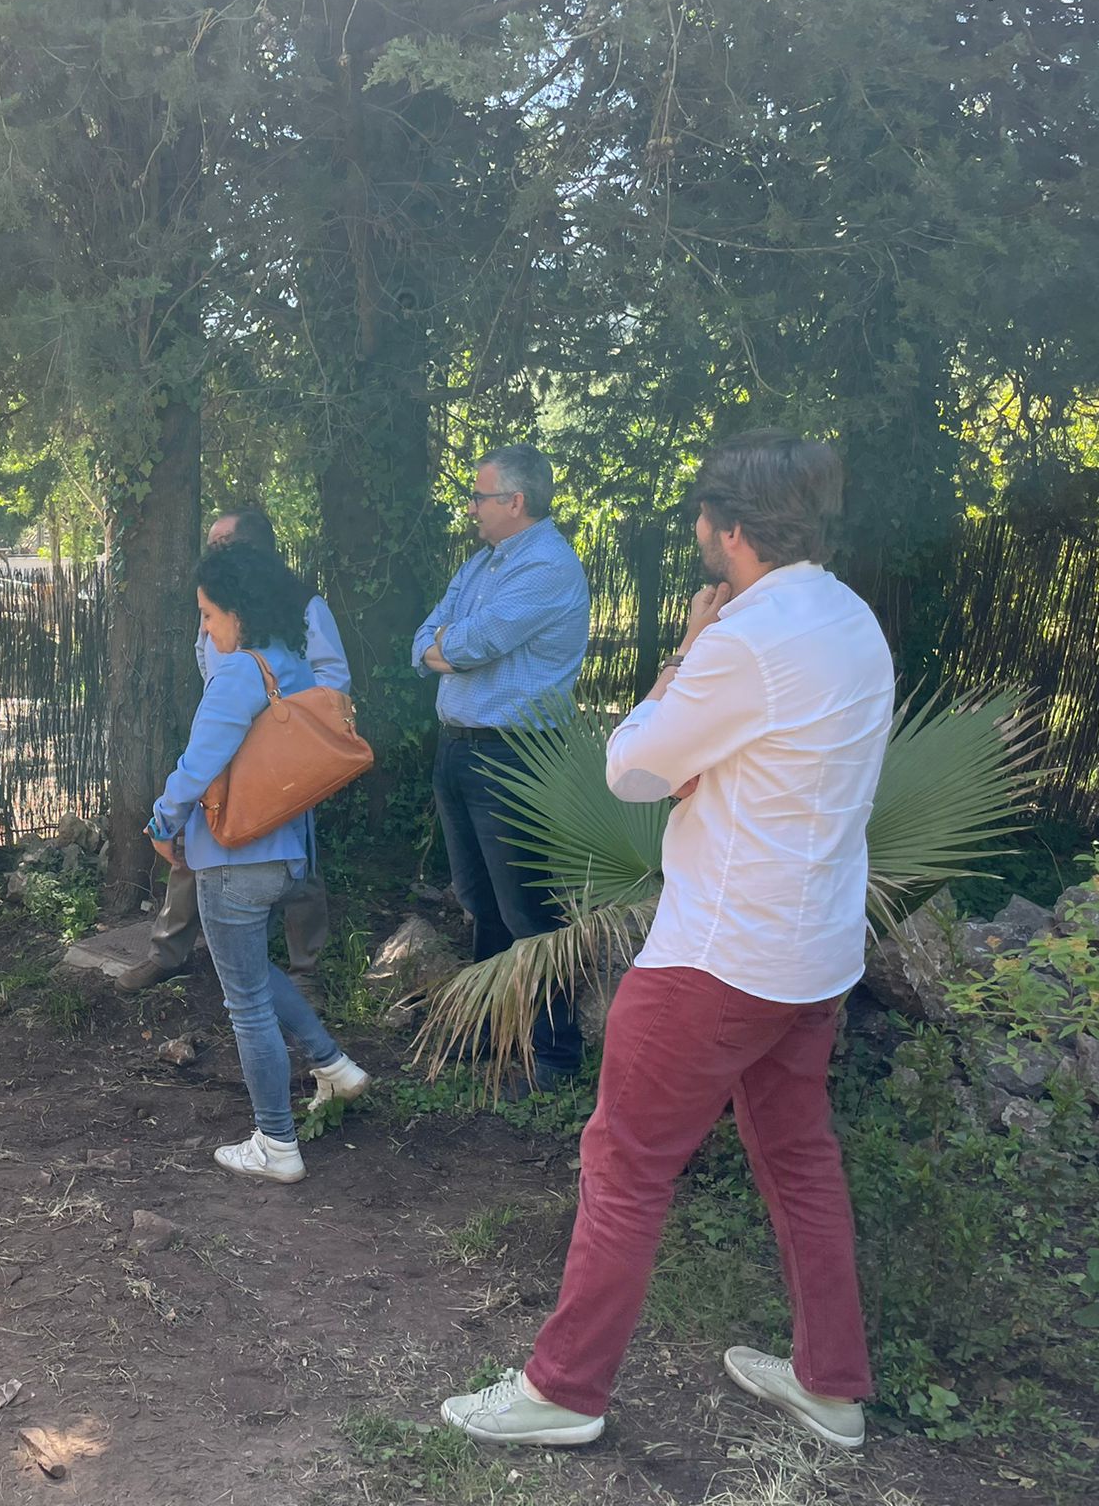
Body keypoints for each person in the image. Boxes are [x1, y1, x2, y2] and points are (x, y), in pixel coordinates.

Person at [440, 431, 891, 1452]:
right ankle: (829, 1383)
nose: (693, 532)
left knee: (624, 1164)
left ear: (727, 530)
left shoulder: (743, 639)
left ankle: (562, 1391)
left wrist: (685, 651)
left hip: (715, 956)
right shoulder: (850, 620)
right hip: (813, 952)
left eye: (698, 517)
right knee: (798, 1162)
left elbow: (632, 769)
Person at [150, 544, 370, 1183]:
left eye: (208, 616)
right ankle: (332, 1066)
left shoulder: (241, 672)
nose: (205, 630)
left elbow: (199, 765)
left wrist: (161, 821)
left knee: (243, 1003)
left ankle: (276, 1144)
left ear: (238, 613)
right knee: (249, 973)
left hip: (233, 856)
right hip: (285, 853)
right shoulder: (294, 666)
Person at [412, 443, 590, 1091]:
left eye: (480, 497)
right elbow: (427, 636)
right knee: (481, 902)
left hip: (515, 752)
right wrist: (445, 649)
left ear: (515, 502)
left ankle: (554, 1057)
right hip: (459, 747)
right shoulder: (483, 563)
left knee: (528, 912)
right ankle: (490, 1030)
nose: (471, 507)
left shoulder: (547, 566)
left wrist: (447, 648)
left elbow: (472, 642)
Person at [118, 508, 350, 995]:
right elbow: (217, 684)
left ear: (253, 549)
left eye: (223, 544)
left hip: (282, 760)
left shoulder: (302, 604)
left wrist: (280, 731)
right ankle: (169, 952)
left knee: (295, 857)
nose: (213, 552)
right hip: (224, 750)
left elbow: (332, 684)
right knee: (196, 847)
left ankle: (304, 972)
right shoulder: (219, 603)